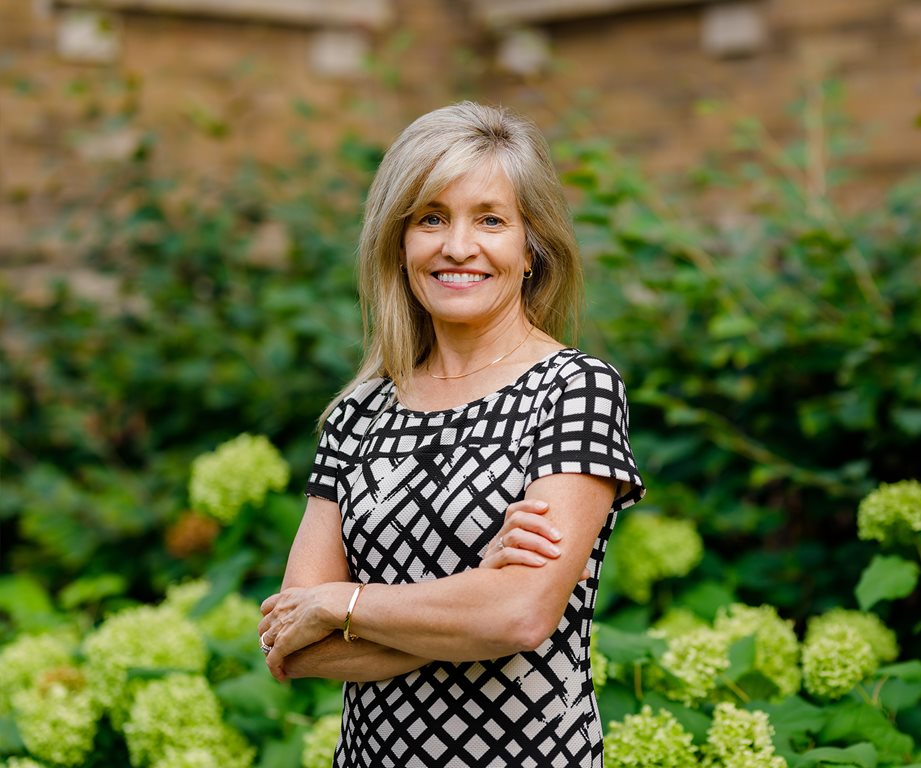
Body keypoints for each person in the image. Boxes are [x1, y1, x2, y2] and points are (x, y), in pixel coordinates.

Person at [258, 101, 644, 768]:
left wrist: (343, 602)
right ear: (399, 243)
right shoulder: (360, 413)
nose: (457, 246)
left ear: (531, 249)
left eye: (490, 219)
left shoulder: (575, 389)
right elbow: (296, 644)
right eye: (431, 217)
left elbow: (521, 617)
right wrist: (477, 605)